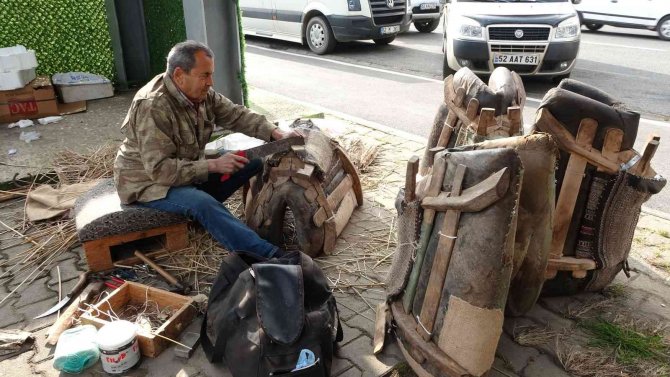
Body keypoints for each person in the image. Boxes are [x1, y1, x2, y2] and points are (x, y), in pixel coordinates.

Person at [113, 40, 297, 258]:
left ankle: (209, 214)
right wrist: (212, 165)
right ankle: (271, 257)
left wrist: (276, 133)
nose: (211, 82)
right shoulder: (153, 105)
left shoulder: (201, 94)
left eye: (211, 75)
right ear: (180, 74)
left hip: (184, 171)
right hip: (146, 183)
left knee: (252, 161)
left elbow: (236, 115)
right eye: (205, 75)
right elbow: (160, 170)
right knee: (203, 204)